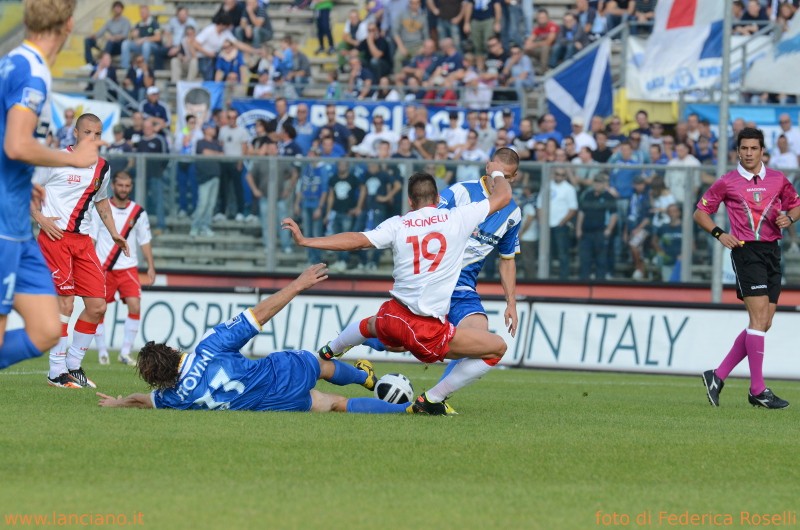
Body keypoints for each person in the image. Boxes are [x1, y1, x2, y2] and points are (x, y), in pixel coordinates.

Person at [282, 169, 513, 415]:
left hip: (393, 316)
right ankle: (432, 399)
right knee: (496, 348)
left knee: (369, 325)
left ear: (410, 202)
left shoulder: (398, 223)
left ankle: (330, 350)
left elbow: (356, 239)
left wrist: (307, 241)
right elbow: (503, 196)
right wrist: (497, 172)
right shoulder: (458, 218)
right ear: (437, 198)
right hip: (427, 329)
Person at [96, 265, 410, 415]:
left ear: (159, 380)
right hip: (279, 372)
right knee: (320, 363)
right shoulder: (210, 346)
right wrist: (298, 284)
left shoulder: (174, 399)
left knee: (336, 405)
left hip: (273, 403)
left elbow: (140, 400)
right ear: (173, 350)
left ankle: (407, 411)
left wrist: (117, 402)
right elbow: (259, 314)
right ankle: (363, 377)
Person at [0, 0, 106, 371]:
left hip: (17, 219)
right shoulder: (33, 71)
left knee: (45, 329)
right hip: (6, 225)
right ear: (67, 26)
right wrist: (72, 159)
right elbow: (16, 143)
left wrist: (25, 179)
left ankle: (65, 368)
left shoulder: (13, 61)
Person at [697, 127, 800, 410]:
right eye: (744, 149)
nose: (748, 153)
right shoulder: (727, 181)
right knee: (757, 322)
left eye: (753, 148)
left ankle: (716, 376)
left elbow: (796, 204)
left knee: (764, 322)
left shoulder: (779, 179)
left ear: (762, 151)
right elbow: (700, 212)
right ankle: (757, 389)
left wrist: (789, 219)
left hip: (771, 252)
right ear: (738, 151)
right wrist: (720, 234)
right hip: (746, 252)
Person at [32, 113, 129, 388]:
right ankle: (55, 370)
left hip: (83, 241)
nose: (93, 138)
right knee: (66, 303)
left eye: (98, 134)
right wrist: (39, 218)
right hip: (55, 237)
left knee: (98, 306)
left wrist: (114, 233)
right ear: (76, 133)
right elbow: (23, 190)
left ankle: (73, 365)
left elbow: (101, 201)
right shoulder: (55, 158)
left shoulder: (102, 167)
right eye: (88, 132)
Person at [91, 171, 155, 366]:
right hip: (104, 267)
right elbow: (92, 238)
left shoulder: (138, 212)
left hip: (128, 267)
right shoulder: (100, 209)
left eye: (127, 186)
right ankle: (102, 351)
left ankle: (125, 352)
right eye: (120, 185)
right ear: (114, 186)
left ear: (131, 187)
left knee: (135, 306)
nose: (124, 189)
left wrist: (151, 266)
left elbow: (144, 241)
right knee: (99, 309)